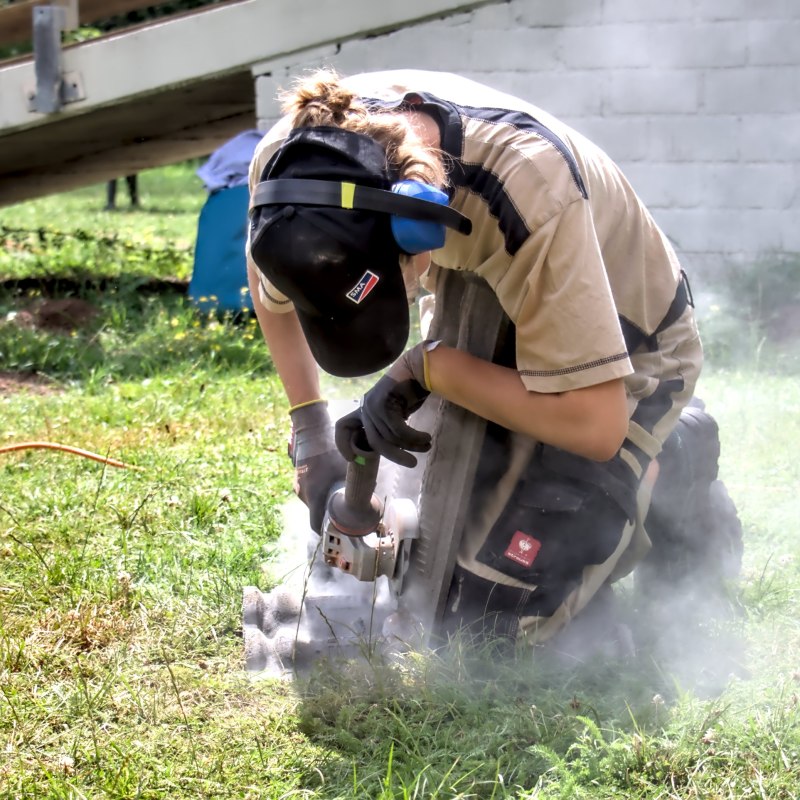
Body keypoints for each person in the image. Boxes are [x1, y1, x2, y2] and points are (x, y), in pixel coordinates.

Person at [244, 68, 704, 650]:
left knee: (489, 629)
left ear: (416, 228)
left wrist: (428, 369)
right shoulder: (292, 170)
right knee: (429, 582)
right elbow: (273, 296)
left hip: (621, 346)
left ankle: (673, 458)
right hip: (490, 291)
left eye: (396, 290)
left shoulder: (531, 186)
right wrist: (309, 427)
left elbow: (594, 424)